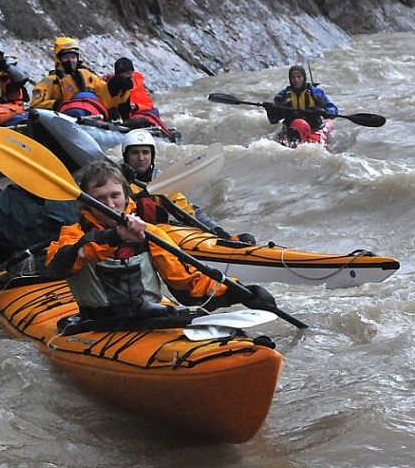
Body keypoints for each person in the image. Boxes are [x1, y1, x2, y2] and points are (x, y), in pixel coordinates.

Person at [46, 161, 274, 320]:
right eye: (100, 199)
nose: (110, 204)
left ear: (126, 196)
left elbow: (189, 283)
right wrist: (114, 237)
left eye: (115, 196)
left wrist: (240, 292)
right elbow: (59, 266)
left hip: (148, 316)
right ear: (87, 204)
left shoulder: (151, 234)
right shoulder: (73, 234)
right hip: (99, 324)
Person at [121, 129, 255, 243]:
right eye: (135, 153)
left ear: (152, 156)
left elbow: (187, 210)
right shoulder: (116, 178)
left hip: (155, 233)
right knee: (145, 203)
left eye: (145, 152)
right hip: (128, 236)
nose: (141, 158)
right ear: (126, 156)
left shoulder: (160, 179)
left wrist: (220, 233)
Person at [29, 37, 132, 119]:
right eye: (66, 57)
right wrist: (56, 104)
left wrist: (117, 88)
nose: (70, 60)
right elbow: (35, 106)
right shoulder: (50, 81)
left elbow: (105, 99)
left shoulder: (87, 76)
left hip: (92, 116)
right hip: (66, 118)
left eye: (73, 57)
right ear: (59, 59)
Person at [103, 57, 173, 138]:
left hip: (141, 112)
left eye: (130, 73)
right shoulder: (109, 83)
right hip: (124, 114)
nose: (129, 76)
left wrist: (136, 106)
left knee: (151, 114)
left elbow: (148, 104)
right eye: (126, 73)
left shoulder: (137, 82)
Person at [269, 64, 339, 141]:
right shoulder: (282, 95)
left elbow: (333, 109)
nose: (296, 80)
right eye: (293, 77)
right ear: (290, 79)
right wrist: (270, 110)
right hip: (291, 130)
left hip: (313, 128)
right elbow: (274, 120)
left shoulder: (316, 93)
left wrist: (326, 112)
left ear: (304, 78)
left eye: (299, 76)